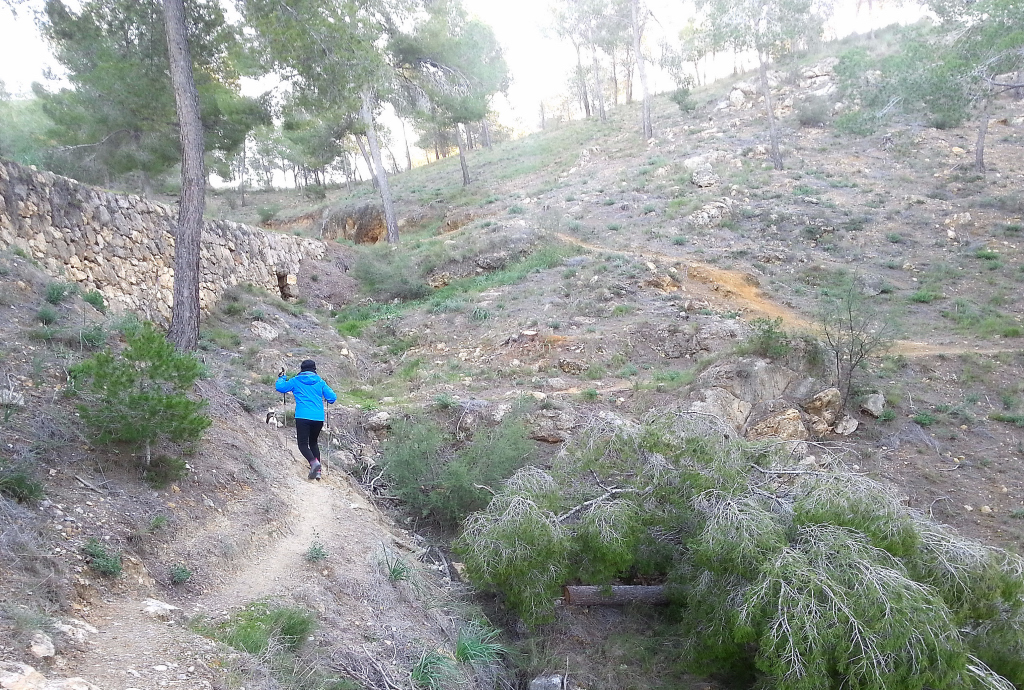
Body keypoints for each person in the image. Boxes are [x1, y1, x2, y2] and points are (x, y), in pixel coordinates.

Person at [275, 360, 337, 480]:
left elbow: (281, 387)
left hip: (302, 417)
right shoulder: (320, 382)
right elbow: (332, 398)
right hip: (318, 418)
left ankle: (313, 463)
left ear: (302, 369)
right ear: (314, 369)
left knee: (303, 444)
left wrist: (282, 378)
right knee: (313, 442)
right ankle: (318, 471)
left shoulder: (295, 381)